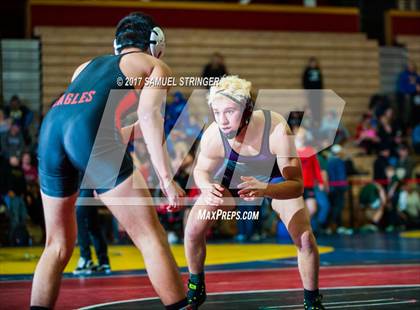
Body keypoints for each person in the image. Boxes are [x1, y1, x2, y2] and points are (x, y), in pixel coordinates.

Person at [30, 12, 190, 310]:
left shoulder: (85, 67)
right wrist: (167, 180)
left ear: (117, 44)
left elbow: (83, 119)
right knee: (149, 237)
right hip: (88, 133)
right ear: (155, 43)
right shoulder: (155, 65)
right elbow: (148, 116)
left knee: (57, 245)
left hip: (51, 129)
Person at [184, 76, 324, 309]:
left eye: (229, 112)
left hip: (275, 179)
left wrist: (266, 189)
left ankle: (312, 301)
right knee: (192, 228)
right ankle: (196, 286)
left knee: (305, 238)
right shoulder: (213, 135)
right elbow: (200, 170)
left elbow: (297, 184)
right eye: (216, 112)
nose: (222, 120)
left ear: (247, 109)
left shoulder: (276, 128)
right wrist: (207, 187)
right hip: (230, 183)